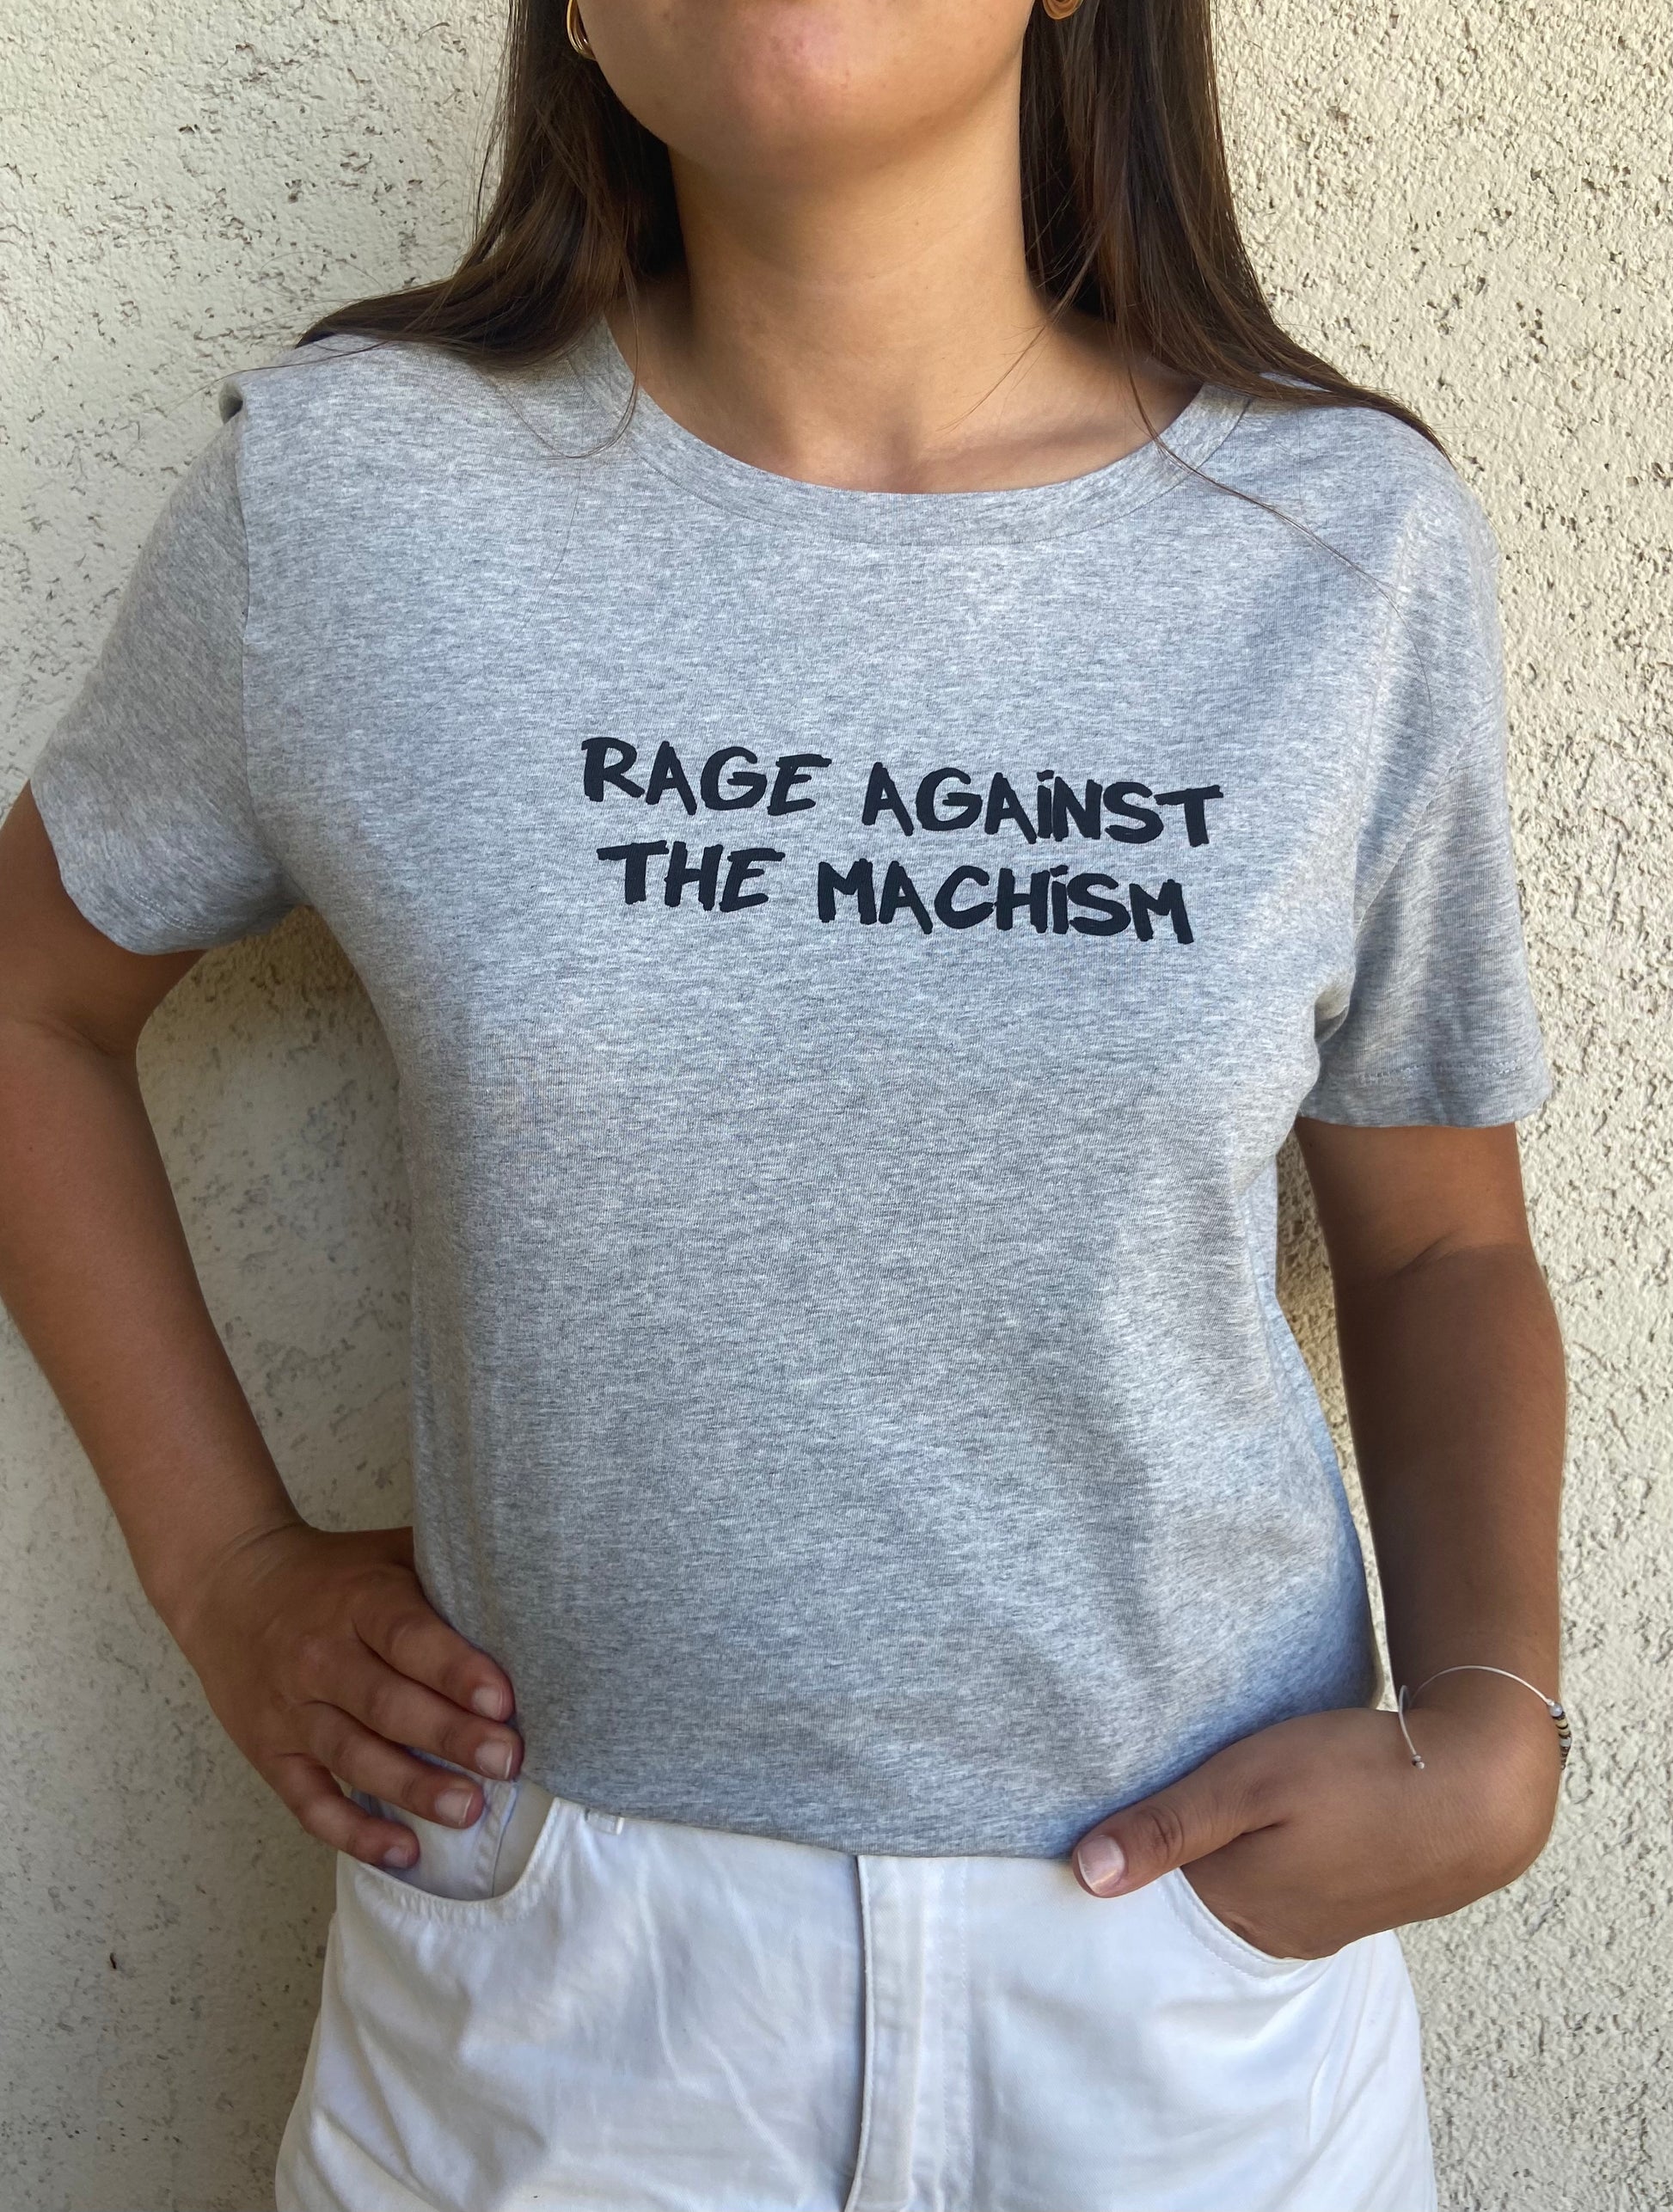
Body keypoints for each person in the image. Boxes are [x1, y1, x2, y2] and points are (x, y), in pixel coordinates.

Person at [0, 1, 1568, 2207]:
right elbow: (29, 1008)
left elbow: (1440, 1236)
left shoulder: (1337, 545)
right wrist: (223, 1568)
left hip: (1176, 1961)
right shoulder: (353, 498)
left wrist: (1495, 1723)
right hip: (560, 1985)